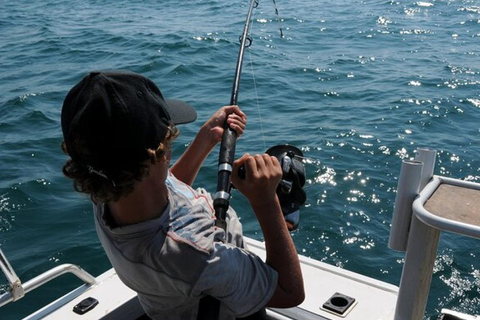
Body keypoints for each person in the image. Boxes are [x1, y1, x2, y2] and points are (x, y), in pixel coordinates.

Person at [61, 70, 304, 320]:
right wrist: (265, 201)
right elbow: (289, 292)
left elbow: (163, 188)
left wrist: (207, 138)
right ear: (156, 156)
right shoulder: (196, 257)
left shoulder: (106, 187)